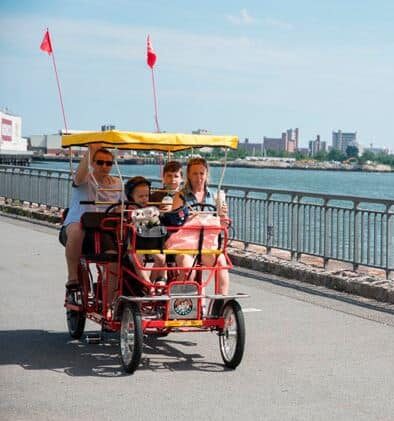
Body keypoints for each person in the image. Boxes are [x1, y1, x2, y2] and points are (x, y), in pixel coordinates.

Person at [62, 145, 122, 303]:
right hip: (78, 227)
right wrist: (91, 150)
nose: (104, 166)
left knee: (114, 258)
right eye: (100, 162)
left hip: (104, 230)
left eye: (108, 163)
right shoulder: (85, 180)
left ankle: (110, 302)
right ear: (93, 163)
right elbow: (79, 176)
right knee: (77, 229)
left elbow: (125, 205)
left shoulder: (117, 183)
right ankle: (72, 277)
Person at [172, 157, 230, 294]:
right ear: (188, 176)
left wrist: (223, 218)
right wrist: (188, 219)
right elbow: (174, 223)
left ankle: (221, 304)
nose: (199, 177)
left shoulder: (214, 196)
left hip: (206, 244)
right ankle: (181, 304)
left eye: (201, 173)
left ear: (206, 175)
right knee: (188, 270)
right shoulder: (180, 197)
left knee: (222, 264)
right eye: (195, 173)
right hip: (185, 244)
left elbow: (221, 223)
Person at [124, 176, 166, 287]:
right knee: (137, 258)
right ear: (131, 197)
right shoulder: (129, 209)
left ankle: (150, 283)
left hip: (150, 241)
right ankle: (147, 285)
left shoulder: (150, 209)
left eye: (147, 196)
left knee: (161, 258)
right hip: (134, 245)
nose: (144, 199)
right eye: (140, 196)